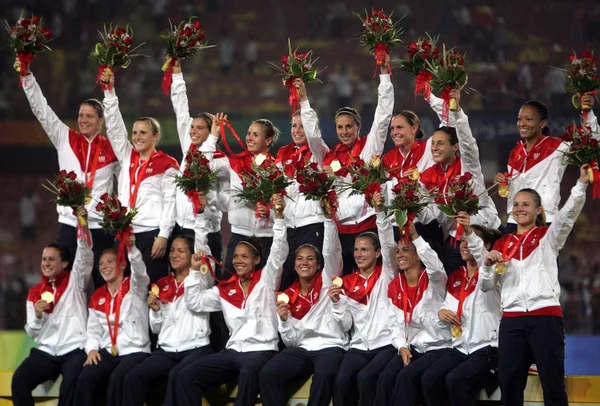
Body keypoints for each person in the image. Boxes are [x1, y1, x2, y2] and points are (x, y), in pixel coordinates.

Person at [481, 166, 590, 405]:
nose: (520, 208)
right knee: (510, 387)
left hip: (545, 319)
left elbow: (568, 214)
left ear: (538, 209)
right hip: (511, 321)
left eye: (526, 204)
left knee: (552, 385)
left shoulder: (548, 237)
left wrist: (581, 184)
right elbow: (487, 287)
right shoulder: (502, 243)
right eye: (516, 204)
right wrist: (487, 265)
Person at [176, 194, 289, 406]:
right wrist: (193, 272)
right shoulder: (226, 289)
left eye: (244, 256)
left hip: (261, 351)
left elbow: (279, 252)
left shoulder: (266, 280)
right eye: (235, 256)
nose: (238, 260)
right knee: (187, 374)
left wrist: (279, 218)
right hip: (233, 352)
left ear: (256, 260)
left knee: (248, 374)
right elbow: (195, 302)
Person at [16, 58, 118, 288]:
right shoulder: (65, 138)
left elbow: (129, 182)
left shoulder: (113, 149)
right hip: (70, 225)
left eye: (90, 116)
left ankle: (106, 323)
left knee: (106, 282)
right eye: (81, 115)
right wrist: (27, 75)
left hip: (100, 226)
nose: (83, 120)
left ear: (101, 121)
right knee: (63, 284)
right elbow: (41, 110)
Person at [122, 194, 214, 406]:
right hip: (166, 351)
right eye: (172, 250)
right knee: (132, 378)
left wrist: (200, 216)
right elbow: (156, 329)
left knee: (177, 376)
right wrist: (155, 311)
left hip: (196, 348)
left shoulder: (201, 276)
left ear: (192, 256)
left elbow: (202, 246)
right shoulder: (162, 284)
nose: (174, 254)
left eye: (181, 251)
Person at [259, 204, 347, 406]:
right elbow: (291, 342)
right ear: (294, 264)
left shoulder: (327, 281)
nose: (304, 262)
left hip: (329, 346)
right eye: (299, 259)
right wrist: (284, 321)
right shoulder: (288, 295)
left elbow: (330, 251)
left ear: (318, 265)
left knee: (324, 375)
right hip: (302, 349)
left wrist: (328, 219)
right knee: (267, 374)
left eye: (310, 259)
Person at [101, 71, 179, 283]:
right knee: (126, 291)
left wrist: (163, 235)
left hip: (151, 234)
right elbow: (115, 127)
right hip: (125, 233)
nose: (137, 137)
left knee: (153, 290)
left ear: (156, 136)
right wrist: (109, 92)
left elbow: (170, 202)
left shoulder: (167, 163)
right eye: (134, 132)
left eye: (143, 133)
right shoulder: (127, 156)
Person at [320, 55, 394, 275]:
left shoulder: (368, 148)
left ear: (358, 126)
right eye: (340, 128)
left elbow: (382, 117)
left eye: (349, 127)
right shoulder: (330, 158)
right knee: (345, 283)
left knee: (374, 282)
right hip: (342, 231)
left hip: (369, 226)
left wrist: (384, 76)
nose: (344, 132)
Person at [11, 207, 92, 406]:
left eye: (51, 259)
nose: (46, 263)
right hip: (47, 351)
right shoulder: (35, 292)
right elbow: (32, 334)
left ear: (64, 263)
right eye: (44, 259)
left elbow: (85, 254)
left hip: (74, 349)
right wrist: (37, 316)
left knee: (71, 384)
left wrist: (83, 225)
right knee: (19, 379)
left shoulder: (76, 281)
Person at [422, 214, 502, 406]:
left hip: (487, 348)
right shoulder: (456, 276)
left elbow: (485, 269)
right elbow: (446, 309)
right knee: (429, 378)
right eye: (462, 240)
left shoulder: (493, 274)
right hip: (460, 348)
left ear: (486, 247)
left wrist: (468, 231)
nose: (465, 244)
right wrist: (441, 314)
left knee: (455, 380)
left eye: (471, 240)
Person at [419, 89, 500, 272]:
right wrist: (411, 207)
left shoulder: (467, 166)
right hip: (457, 242)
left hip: (485, 235)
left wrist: (457, 113)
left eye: (440, 143)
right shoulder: (429, 177)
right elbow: (430, 215)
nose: (434, 148)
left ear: (455, 147)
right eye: (432, 143)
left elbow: (468, 142)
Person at [329, 191, 398, 406]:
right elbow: (346, 325)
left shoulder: (387, 274)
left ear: (377, 254)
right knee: (340, 380)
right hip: (359, 346)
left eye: (365, 250)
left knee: (366, 378)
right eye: (357, 250)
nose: (359, 254)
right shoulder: (347, 282)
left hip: (385, 344)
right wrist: (337, 303)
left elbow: (388, 243)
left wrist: (379, 211)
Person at [373, 214, 450, 406]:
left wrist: (415, 237)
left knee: (405, 378)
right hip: (412, 347)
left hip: (438, 347)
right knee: (385, 377)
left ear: (418, 255)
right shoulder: (395, 285)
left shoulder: (434, 281)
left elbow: (436, 266)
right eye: (398, 251)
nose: (399, 255)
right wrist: (402, 346)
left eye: (405, 250)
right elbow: (395, 324)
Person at [494, 95, 597, 233]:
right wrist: (505, 182)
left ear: (542, 123)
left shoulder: (556, 147)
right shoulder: (516, 151)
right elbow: (517, 189)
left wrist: (588, 112)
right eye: (519, 119)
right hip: (515, 221)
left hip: (544, 220)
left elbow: (591, 140)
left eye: (529, 119)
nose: (522, 123)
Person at [199, 113, 282, 273]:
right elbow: (203, 166)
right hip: (239, 234)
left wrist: (270, 212)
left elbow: (285, 204)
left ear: (268, 140)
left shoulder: (278, 168)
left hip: (268, 237)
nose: (249, 138)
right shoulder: (233, 163)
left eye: (256, 135)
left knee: (266, 288)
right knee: (229, 285)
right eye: (249, 133)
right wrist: (213, 137)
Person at [74, 236, 151, 406]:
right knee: (86, 376)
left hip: (135, 350)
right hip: (109, 351)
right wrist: (92, 350)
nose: (104, 266)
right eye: (101, 263)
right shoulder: (97, 296)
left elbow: (140, 272)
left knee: (118, 379)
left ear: (123, 264)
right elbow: (93, 330)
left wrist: (132, 249)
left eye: (110, 261)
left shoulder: (135, 287)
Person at [169, 60, 229, 267]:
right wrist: (176, 73)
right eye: (192, 127)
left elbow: (201, 167)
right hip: (181, 228)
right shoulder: (189, 149)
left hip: (206, 231)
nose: (193, 130)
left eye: (200, 128)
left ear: (212, 132)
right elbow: (181, 109)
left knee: (207, 282)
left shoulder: (221, 162)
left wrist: (212, 138)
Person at [277, 78, 330, 289]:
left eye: (302, 126)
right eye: (293, 126)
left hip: (312, 223)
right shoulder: (283, 155)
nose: (297, 130)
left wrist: (304, 99)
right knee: (289, 276)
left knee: (313, 276)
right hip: (290, 225)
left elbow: (313, 134)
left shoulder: (318, 152)